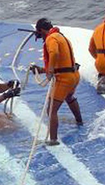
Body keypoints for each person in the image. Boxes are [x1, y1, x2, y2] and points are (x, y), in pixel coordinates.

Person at [33, 18, 84, 146]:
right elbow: (63, 64)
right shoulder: (61, 36)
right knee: (69, 96)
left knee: (51, 109)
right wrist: (42, 70)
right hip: (74, 76)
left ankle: (53, 140)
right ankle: (79, 121)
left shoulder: (51, 38)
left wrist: (49, 70)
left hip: (64, 79)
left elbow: (54, 52)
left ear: (42, 30)